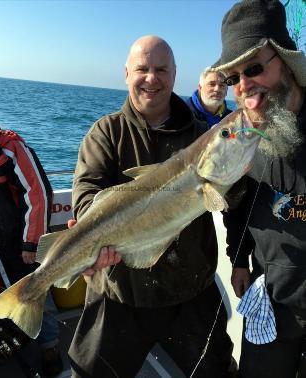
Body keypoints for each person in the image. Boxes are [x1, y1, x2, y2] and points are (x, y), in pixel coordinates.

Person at [69, 35, 235, 378]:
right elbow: (87, 194)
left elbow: (234, 200)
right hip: (119, 290)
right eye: (142, 69)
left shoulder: (202, 135)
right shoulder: (106, 133)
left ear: (174, 75)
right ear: (126, 73)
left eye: (161, 69)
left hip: (191, 289)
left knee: (218, 372)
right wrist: (91, 237)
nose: (151, 78)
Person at [211, 0, 306, 377]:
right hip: (271, 304)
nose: (244, 86)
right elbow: (239, 204)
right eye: (233, 78)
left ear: (285, 61)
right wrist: (237, 258)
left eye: (252, 68)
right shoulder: (247, 138)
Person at [0, 100, 63, 376]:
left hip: (20, 245)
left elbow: (39, 193)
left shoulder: (8, 148)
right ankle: (6, 339)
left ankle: (50, 347)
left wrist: (31, 242)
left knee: (38, 293)